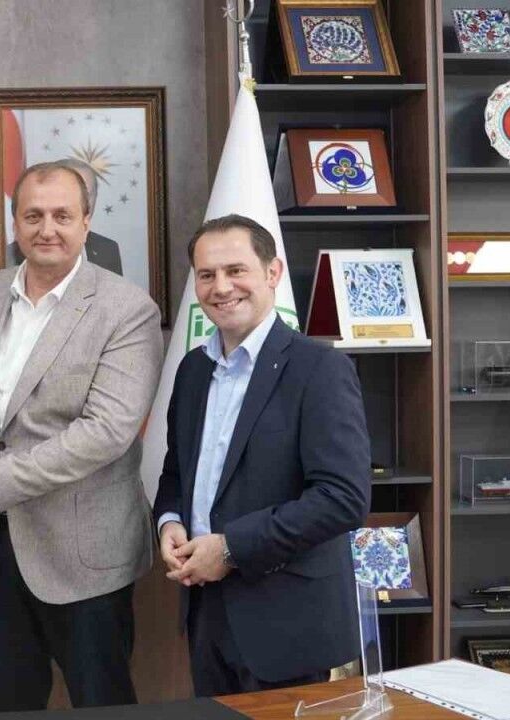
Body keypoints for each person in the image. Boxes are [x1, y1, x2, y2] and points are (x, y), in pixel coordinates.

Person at [0, 161, 162, 710]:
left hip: (84, 553)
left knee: (102, 705)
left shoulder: (127, 309)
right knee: (6, 704)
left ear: (87, 222)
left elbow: (106, 432)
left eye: (61, 216)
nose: (46, 229)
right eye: (33, 216)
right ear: (15, 223)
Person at [153, 213, 371, 697]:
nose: (220, 287)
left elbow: (342, 499)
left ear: (273, 273)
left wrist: (230, 549)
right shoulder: (192, 371)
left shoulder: (320, 369)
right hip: (206, 616)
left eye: (236, 270)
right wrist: (170, 521)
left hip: (288, 625)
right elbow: (176, 472)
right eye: (207, 275)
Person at [9, 157, 122, 275]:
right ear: (15, 227)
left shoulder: (108, 249)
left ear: (85, 226)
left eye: (62, 217)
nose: (47, 232)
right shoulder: (6, 260)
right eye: (33, 217)